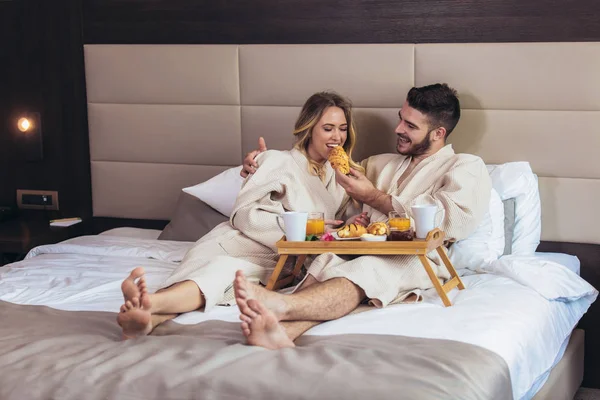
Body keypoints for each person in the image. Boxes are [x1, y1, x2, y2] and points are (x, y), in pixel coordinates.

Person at [236, 83, 492, 349]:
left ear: (439, 133)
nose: (398, 129)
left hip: (417, 256)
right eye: (400, 119)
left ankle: (281, 304)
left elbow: (453, 220)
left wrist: (372, 197)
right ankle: (282, 330)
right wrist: (263, 164)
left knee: (367, 270)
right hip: (363, 247)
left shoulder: (465, 166)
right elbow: (315, 170)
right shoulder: (381, 164)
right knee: (327, 259)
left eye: (410, 126)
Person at [116, 91, 369, 338]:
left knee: (229, 284)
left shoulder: (342, 178)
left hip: (281, 261)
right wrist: (300, 227)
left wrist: (350, 223)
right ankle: (152, 302)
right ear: (309, 128)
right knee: (221, 269)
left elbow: (336, 223)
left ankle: (148, 317)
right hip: (242, 242)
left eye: (343, 128)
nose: (337, 136)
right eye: (328, 128)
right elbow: (243, 213)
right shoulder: (276, 161)